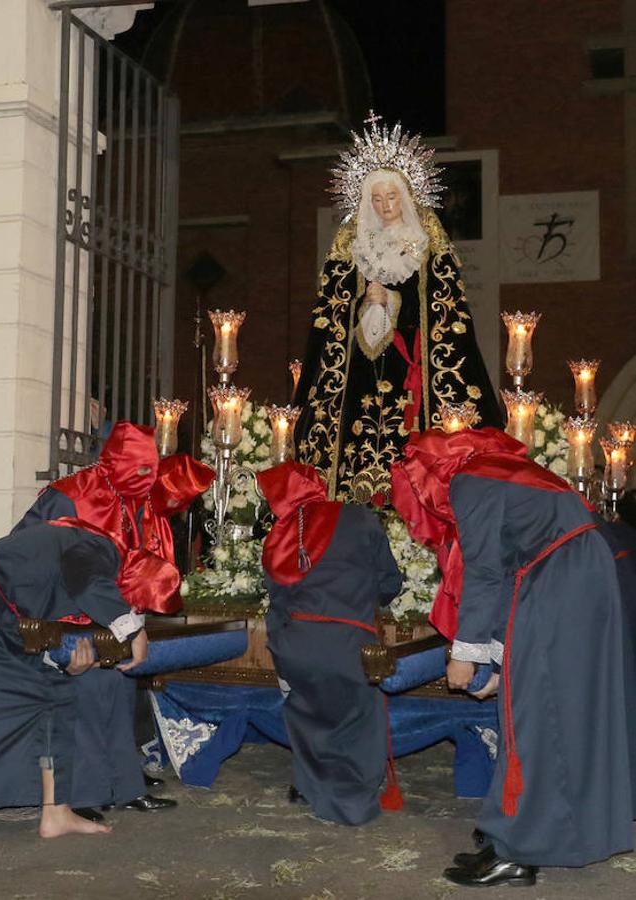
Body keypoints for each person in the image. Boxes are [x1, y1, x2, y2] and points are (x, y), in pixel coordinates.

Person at [391, 428, 633, 887]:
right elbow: (507, 575)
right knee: (550, 711)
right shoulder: (502, 471)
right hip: (576, 576)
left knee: (532, 718)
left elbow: (483, 572)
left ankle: (517, 850)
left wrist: (464, 655)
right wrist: (502, 659)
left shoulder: (469, 481)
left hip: (558, 579)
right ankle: (533, 836)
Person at [0, 519, 175, 880]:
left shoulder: (74, 546)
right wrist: (132, 628)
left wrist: (70, 670)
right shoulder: (100, 548)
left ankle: (55, 812)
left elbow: (50, 600)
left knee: (55, 694)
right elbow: (86, 581)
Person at [294, 113, 501, 503]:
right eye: (376, 198)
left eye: (391, 197)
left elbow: (447, 312)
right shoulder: (351, 247)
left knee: (409, 443)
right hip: (357, 375)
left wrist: (393, 301)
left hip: (413, 371)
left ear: (405, 197)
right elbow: (329, 314)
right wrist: (360, 305)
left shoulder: (427, 246)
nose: (384, 205)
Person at [12, 423, 178, 816]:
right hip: (69, 613)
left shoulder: (136, 498)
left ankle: (125, 786)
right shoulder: (69, 496)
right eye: (138, 470)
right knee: (84, 701)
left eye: (151, 469)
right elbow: (38, 554)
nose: (146, 479)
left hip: (113, 612)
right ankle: (82, 795)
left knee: (118, 696)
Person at [257, 460, 402, 825]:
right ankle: (353, 799)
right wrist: (370, 597)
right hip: (349, 640)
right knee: (359, 717)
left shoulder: (280, 536)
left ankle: (312, 788)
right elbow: (389, 580)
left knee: (307, 716)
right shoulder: (359, 518)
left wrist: (282, 652)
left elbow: (277, 604)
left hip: (298, 643)